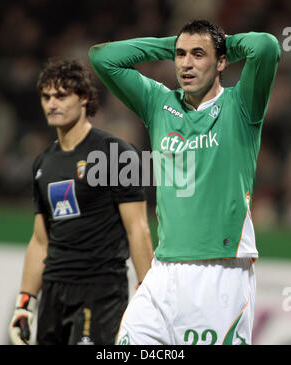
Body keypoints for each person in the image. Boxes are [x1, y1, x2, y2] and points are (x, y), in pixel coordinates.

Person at [89, 20, 280, 345]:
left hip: (221, 273)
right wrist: (172, 45)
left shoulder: (242, 105)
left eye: (198, 54)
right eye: (180, 55)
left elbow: (266, 46)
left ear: (221, 62)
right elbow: (103, 58)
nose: (186, 64)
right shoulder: (159, 103)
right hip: (164, 269)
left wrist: (221, 43)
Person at [8, 59, 154, 345]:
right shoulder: (43, 162)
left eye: (62, 96)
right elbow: (40, 241)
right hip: (53, 292)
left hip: (100, 291)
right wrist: (24, 304)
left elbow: (138, 229)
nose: (52, 104)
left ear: (85, 98)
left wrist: (149, 295)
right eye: (46, 97)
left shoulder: (115, 153)